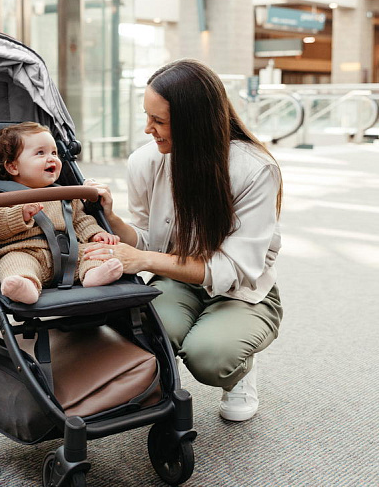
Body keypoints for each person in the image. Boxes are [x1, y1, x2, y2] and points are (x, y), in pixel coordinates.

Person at [83, 59, 283, 421]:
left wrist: (143, 261)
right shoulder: (145, 161)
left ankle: (240, 371)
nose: (148, 129)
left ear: (194, 122)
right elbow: (148, 240)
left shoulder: (254, 169)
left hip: (242, 289)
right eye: (147, 117)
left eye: (158, 121)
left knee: (211, 357)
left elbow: (233, 268)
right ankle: (164, 375)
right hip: (177, 280)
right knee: (143, 331)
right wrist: (112, 219)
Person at [0, 122, 123, 304]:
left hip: (68, 255)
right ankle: (24, 286)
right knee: (14, 263)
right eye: (40, 153)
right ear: (13, 167)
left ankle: (93, 274)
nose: (51, 158)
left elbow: (81, 220)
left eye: (54, 153)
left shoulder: (65, 195)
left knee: (93, 252)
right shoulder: (3, 197)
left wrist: (96, 234)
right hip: (26, 252)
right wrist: (20, 214)